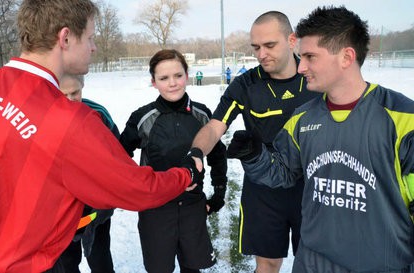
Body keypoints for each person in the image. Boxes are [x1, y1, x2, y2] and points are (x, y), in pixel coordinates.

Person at [0, 1, 202, 272]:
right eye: (90, 38)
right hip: (13, 265)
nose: (94, 47)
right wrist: (186, 174)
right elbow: (138, 189)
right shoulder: (69, 119)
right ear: (65, 38)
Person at [227, 6, 414, 273]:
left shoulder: (403, 119)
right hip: (312, 263)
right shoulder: (302, 118)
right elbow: (283, 173)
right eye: (300, 56)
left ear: (347, 57)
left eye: (310, 57)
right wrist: (254, 155)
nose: (301, 67)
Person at [189, 11, 320, 273]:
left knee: (314, 264)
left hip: (312, 187)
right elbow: (215, 127)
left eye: (269, 45)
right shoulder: (246, 84)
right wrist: (195, 152)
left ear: (292, 40)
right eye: (256, 47)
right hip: (263, 189)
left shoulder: (316, 79)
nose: (261, 54)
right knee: (268, 264)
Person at [120, 49, 228, 273]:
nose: (172, 83)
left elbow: (217, 155)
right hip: (155, 211)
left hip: (192, 208)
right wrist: (138, 189)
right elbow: (119, 158)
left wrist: (218, 194)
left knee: (193, 268)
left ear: (187, 75)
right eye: (164, 78)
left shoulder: (202, 114)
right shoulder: (142, 118)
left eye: (178, 76)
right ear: (154, 82)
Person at [57, 74, 116, 273]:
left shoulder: (99, 114)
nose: (71, 99)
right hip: (62, 214)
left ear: (82, 86)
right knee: (67, 263)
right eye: (63, 94)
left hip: (95, 210)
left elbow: (118, 161)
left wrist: (108, 201)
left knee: (100, 259)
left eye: (75, 92)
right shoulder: (42, 117)